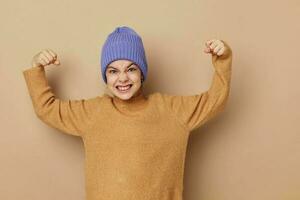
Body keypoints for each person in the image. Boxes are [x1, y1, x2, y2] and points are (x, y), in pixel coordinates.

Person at [22, 26, 232, 200]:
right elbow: (46, 108)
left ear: (142, 72)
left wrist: (222, 61)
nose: (122, 78)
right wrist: (36, 67)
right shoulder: (93, 113)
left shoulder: (171, 110)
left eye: (131, 69)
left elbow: (215, 101)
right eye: (113, 71)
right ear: (106, 76)